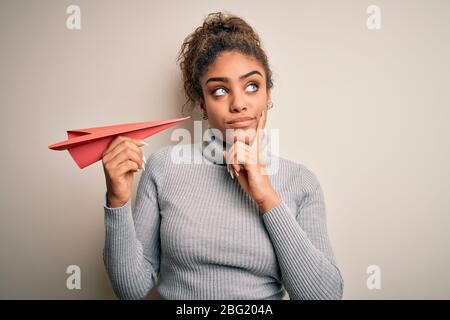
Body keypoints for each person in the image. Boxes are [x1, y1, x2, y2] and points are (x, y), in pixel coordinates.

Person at [101, 11, 344, 300]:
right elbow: (130, 289)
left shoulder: (301, 182)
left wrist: (266, 195)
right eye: (219, 91)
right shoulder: (164, 168)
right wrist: (117, 201)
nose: (239, 103)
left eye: (252, 86)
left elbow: (324, 297)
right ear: (202, 105)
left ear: (268, 95)